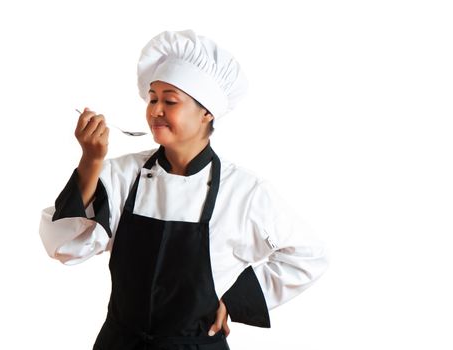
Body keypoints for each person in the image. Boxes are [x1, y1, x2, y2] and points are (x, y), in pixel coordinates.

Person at [39, 29, 328, 350]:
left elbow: (308, 256)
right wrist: (91, 160)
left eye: (170, 101)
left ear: (207, 112)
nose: (155, 110)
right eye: (152, 98)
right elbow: (63, 246)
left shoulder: (244, 192)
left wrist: (234, 299)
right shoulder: (121, 175)